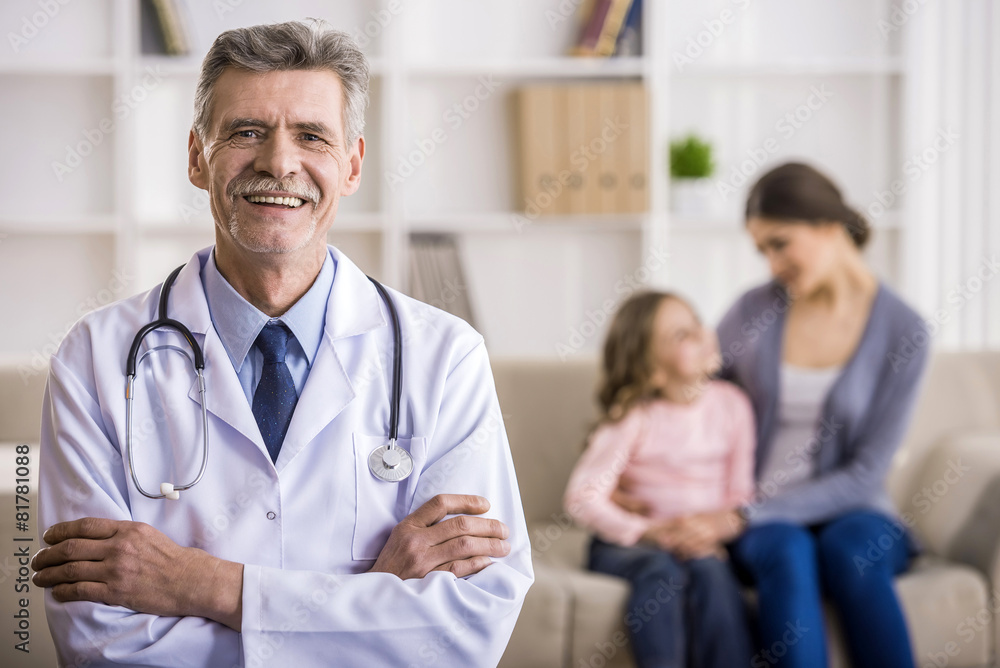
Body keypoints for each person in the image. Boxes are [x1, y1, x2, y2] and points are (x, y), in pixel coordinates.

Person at [30, 20, 532, 667]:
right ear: (195, 157)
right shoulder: (95, 358)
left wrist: (200, 584)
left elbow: (466, 632)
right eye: (246, 132)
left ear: (351, 164)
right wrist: (374, 601)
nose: (278, 162)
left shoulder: (444, 358)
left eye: (311, 135)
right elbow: (101, 642)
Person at [718, 162, 928, 667]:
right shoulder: (752, 311)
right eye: (762, 250)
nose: (772, 264)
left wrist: (746, 515)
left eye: (780, 243)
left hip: (854, 512)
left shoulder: (905, 331)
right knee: (787, 551)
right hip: (764, 514)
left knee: (852, 551)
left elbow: (866, 473)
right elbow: (697, 399)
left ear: (829, 226)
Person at [563, 291, 755, 668]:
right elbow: (582, 497)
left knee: (713, 574)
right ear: (651, 368)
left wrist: (710, 531)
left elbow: (740, 494)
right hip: (633, 543)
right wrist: (649, 531)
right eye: (681, 336)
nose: (701, 335)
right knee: (660, 573)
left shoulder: (733, 405)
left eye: (697, 324)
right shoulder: (636, 417)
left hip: (699, 542)